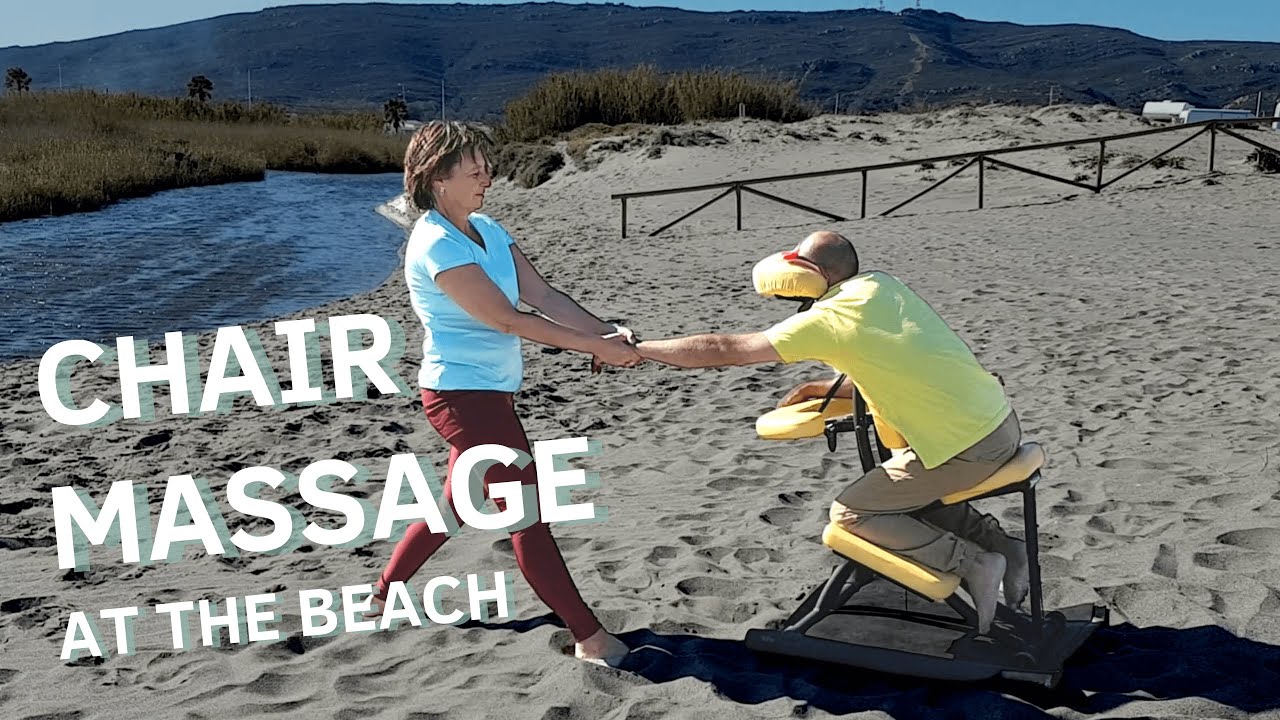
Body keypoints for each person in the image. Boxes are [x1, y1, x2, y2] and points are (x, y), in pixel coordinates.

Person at [623, 230, 1029, 634]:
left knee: (853, 512)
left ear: (810, 274)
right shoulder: (883, 285)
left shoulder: (828, 319)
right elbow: (893, 364)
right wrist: (816, 388)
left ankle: (975, 563)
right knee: (903, 483)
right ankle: (1007, 547)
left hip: (968, 448)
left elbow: (725, 348)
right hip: (997, 422)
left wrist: (640, 348)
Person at [371, 120, 637, 665]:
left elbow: (540, 294)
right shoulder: (435, 244)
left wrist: (602, 334)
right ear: (437, 179)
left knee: (458, 502)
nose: (487, 178)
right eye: (474, 171)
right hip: (460, 399)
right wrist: (593, 347)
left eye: (486, 168)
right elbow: (508, 320)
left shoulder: (487, 228)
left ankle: (380, 594)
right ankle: (589, 636)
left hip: (491, 393)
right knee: (526, 513)